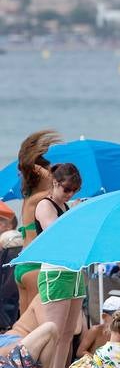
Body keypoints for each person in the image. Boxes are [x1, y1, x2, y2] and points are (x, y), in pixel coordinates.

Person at [34, 161, 87, 368]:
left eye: (74, 190)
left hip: (73, 271)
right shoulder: (45, 205)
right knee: (53, 333)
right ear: (54, 183)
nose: (69, 194)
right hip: (55, 272)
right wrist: (74, 213)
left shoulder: (65, 208)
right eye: (66, 189)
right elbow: (55, 233)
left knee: (68, 334)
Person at [15, 130, 61, 313]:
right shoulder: (41, 198)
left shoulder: (29, 199)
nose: (52, 176)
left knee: (24, 324)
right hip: (34, 266)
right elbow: (28, 166)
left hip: (22, 266)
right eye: (49, 172)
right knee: (35, 322)